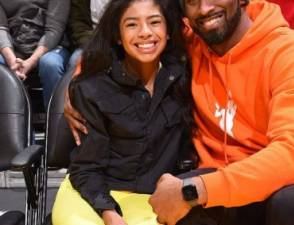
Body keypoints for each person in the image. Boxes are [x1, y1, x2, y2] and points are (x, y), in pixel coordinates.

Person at [65, 0, 294, 225]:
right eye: (192, 2)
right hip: (220, 177)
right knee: (176, 206)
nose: (205, 8)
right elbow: (131, 36)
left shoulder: (291, 50)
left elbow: (292, 157)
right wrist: (76, 83)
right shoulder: (196, 40)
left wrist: (196, 190)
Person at [52, 0, 193, 224]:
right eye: (131, 25)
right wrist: (109, 214)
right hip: (93, 193)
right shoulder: (92, 87)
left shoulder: (186, 80)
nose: (145, 32)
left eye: (155, 22)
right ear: (118, 35)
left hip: (154, 196)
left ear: (168, 32)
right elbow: (87, 168)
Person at [0, 0, 70, 106]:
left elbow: (54, 29)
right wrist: (12, 62)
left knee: (51, 64)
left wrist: (32, 61)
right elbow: (1, 29)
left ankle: (54, 117)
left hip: (50, 46)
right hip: (12, 46)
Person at [67, 0, 111, 69]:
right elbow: (78, 25)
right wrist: (93, 45)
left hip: (118, 41)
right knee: (76, 60)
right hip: (90, 41)